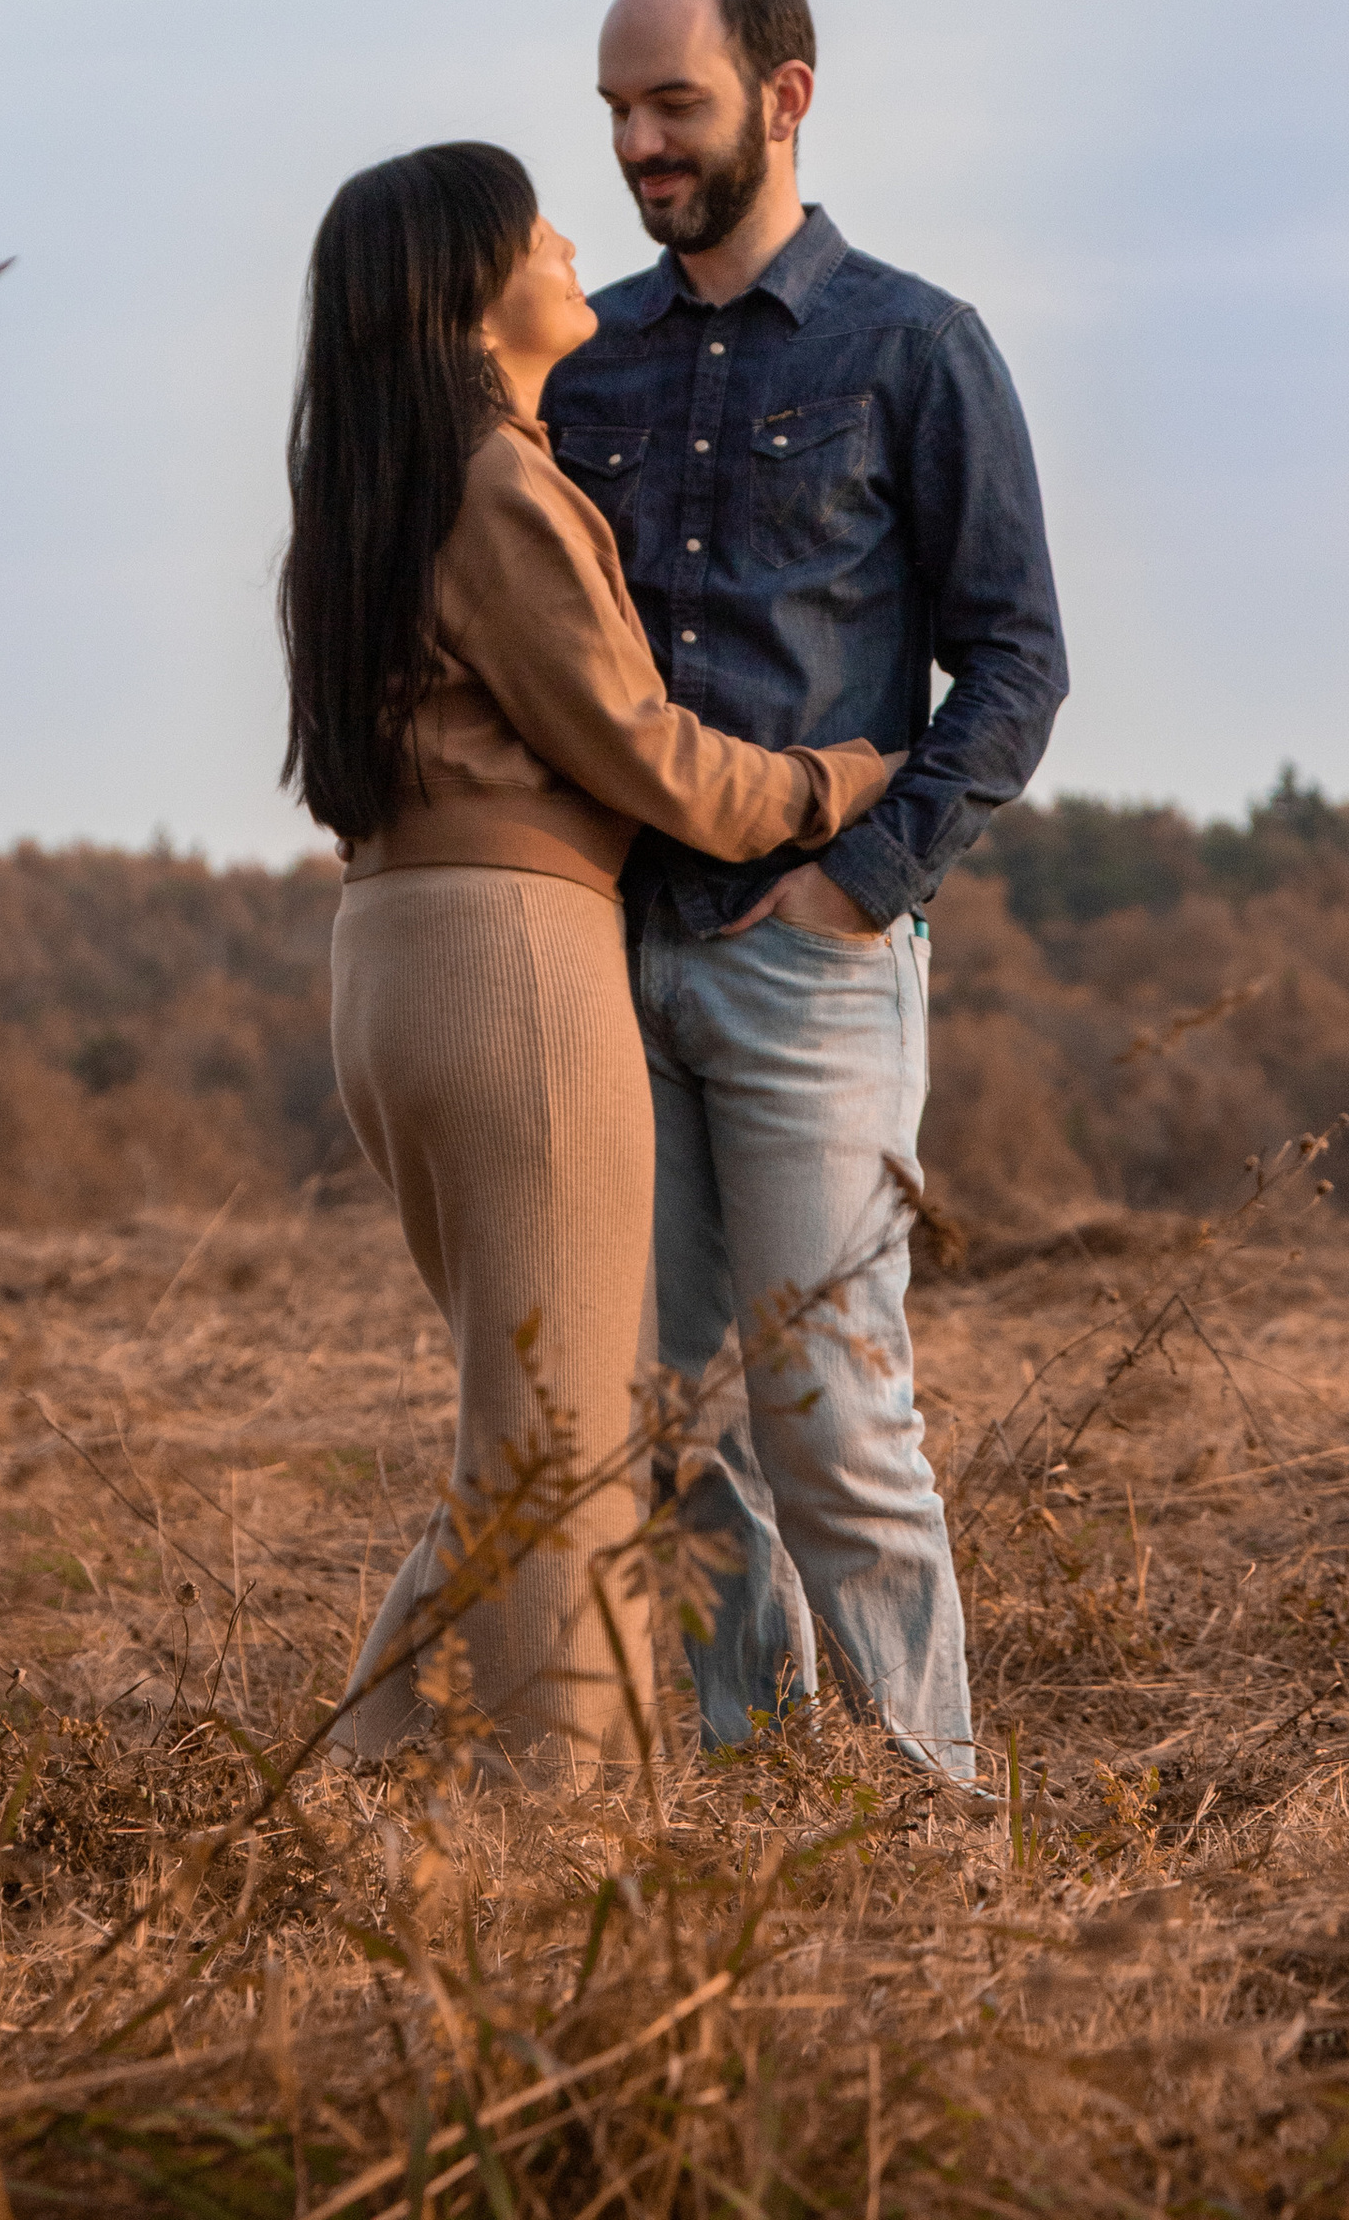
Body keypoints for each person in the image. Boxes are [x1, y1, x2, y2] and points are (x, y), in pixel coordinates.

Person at [280, 140, 896, 1784]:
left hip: (395, 957)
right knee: (575, 1435)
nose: (569, 239)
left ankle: (356, 1804)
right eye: (531, 221)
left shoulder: (379, 495)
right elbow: (646, 754)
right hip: (513, 969)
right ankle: (562, 1838)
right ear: (467, 290)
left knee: (531, 1417)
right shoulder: (496, 487)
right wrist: (845, 783)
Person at [543, 0, 1067, 1780]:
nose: (636, 143)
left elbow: (1015, 662)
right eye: (614, 109)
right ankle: (765, 1824)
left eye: (671, 104)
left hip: (811, 965)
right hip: (614, 958)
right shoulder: (583, 366)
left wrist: (868, 881)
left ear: (786, 93)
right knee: (674, 1428)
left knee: (833, 1418)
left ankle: (938, 1834)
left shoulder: (913, 346)